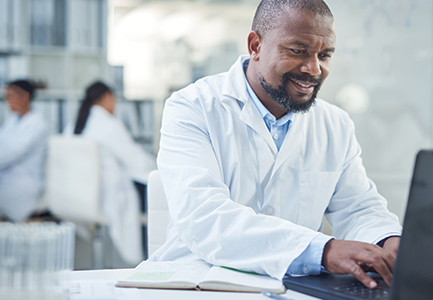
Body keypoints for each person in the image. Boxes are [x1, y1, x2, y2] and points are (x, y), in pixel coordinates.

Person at [151, 0, 402, 289]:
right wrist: (324, 250)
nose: (313, 68)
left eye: (325, 55)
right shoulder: (193, 107)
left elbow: (358, 208)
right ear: (255, 45)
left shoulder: (335, 124)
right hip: (199, 283)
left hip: (293, 288)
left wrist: (388, 240)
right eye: (298, 51)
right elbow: (204, 218)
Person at [68, 81, 156, 265]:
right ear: (107, 97)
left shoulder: (74, 124)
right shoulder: (109, 124)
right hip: (107, 196)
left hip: (79, 197)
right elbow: (135, 160)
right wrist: (159, 166)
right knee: (155, 189)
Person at [0, 80, 48, 222]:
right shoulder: (12, 121)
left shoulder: (37, 124)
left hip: (23, 185)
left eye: (11, 96)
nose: (8, 101)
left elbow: (11, 153)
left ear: (25, 97)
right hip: (8, 180)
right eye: (6, 97)